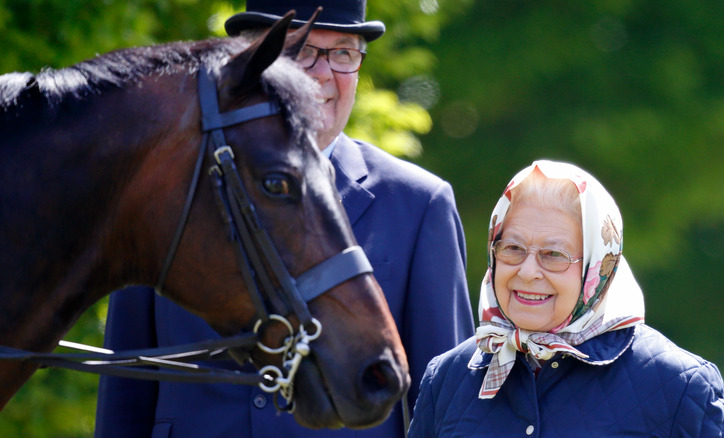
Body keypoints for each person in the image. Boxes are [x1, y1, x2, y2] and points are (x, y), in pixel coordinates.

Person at [94, 1, 474, 437]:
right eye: (301, 52)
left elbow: (446, 407)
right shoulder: (166, 191)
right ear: (253, 59)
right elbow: (126, 388)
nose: (323, 73)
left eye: (344, 53)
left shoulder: (419, 204)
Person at [407, 160, 724, 437]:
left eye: (553, 255)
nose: (527, 271)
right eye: (513, 249)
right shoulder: (448, 376)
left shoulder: (679, 384)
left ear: (597, 268)